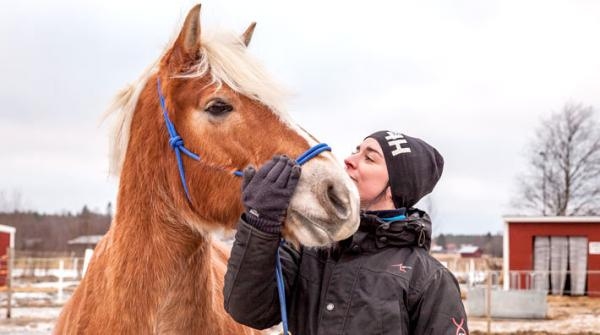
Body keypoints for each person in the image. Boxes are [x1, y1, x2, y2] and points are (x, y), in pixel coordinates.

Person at [224, 130, 469, 335]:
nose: (350, 160)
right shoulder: (309, 247)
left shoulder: (428, 279)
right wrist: (260, 223)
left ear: (394, 189)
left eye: (369, 158)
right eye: (356, 150)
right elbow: (247, 310)